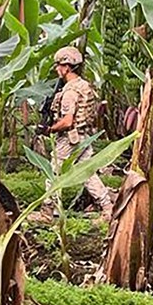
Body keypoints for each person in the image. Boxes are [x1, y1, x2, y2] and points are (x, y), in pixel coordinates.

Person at [46, 46, 113, 222]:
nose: (57, 69)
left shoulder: (70, 92)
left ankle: (48, 209)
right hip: (83, 136)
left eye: (59, 65)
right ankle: (107, 207)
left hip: (70, 139)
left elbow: (67, 121)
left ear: (67, 67)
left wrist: (50, 129)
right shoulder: (84, 86)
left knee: (53, 170)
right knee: (87, 173)